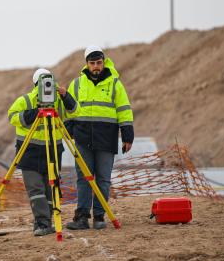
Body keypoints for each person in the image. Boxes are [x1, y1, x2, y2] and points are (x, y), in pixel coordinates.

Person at [65, 45, 134, 230]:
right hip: (83, 138)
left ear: (104, 62)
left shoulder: (114, 83)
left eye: (99, 62)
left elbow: (124, 110)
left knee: (103, 179)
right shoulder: (77, 84)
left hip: (106, 138)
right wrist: (69, 129)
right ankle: (81, 218)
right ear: (86, 64)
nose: (96, 66)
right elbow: (70, 110)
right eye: (92, 63)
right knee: (84, 178)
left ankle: (99, 216)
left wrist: (127, 135)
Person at [8, 68, 78, 236]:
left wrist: (65, 95)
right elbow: (12, 117)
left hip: (53, 150)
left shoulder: (58, 100)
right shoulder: (25, 100)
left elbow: (75, 111)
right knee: (35, 188)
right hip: (29, 151)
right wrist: (35, 113)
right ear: (35, 85)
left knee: (50, 188)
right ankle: (41, 223)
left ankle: (47, 222)